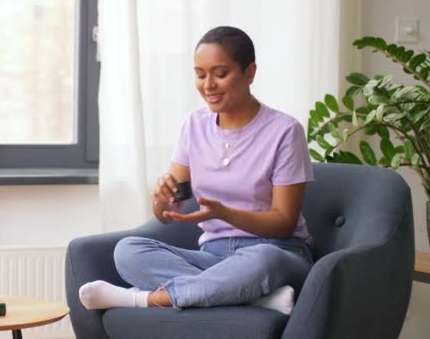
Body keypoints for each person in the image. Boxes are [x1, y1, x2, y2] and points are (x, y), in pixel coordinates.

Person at [79, 26, 314, 315]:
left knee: (264, 259)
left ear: (250, 73)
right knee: (128, 251)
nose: (208, 85)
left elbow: (283, 223)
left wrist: (224, 213)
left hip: (276, 251)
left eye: (220, 73)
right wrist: (162, 200)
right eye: (200, 74)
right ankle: (250, 296)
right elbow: (164, 215)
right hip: (213, 258)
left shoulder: (285, 131)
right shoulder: (194, 126)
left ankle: (141, 299)